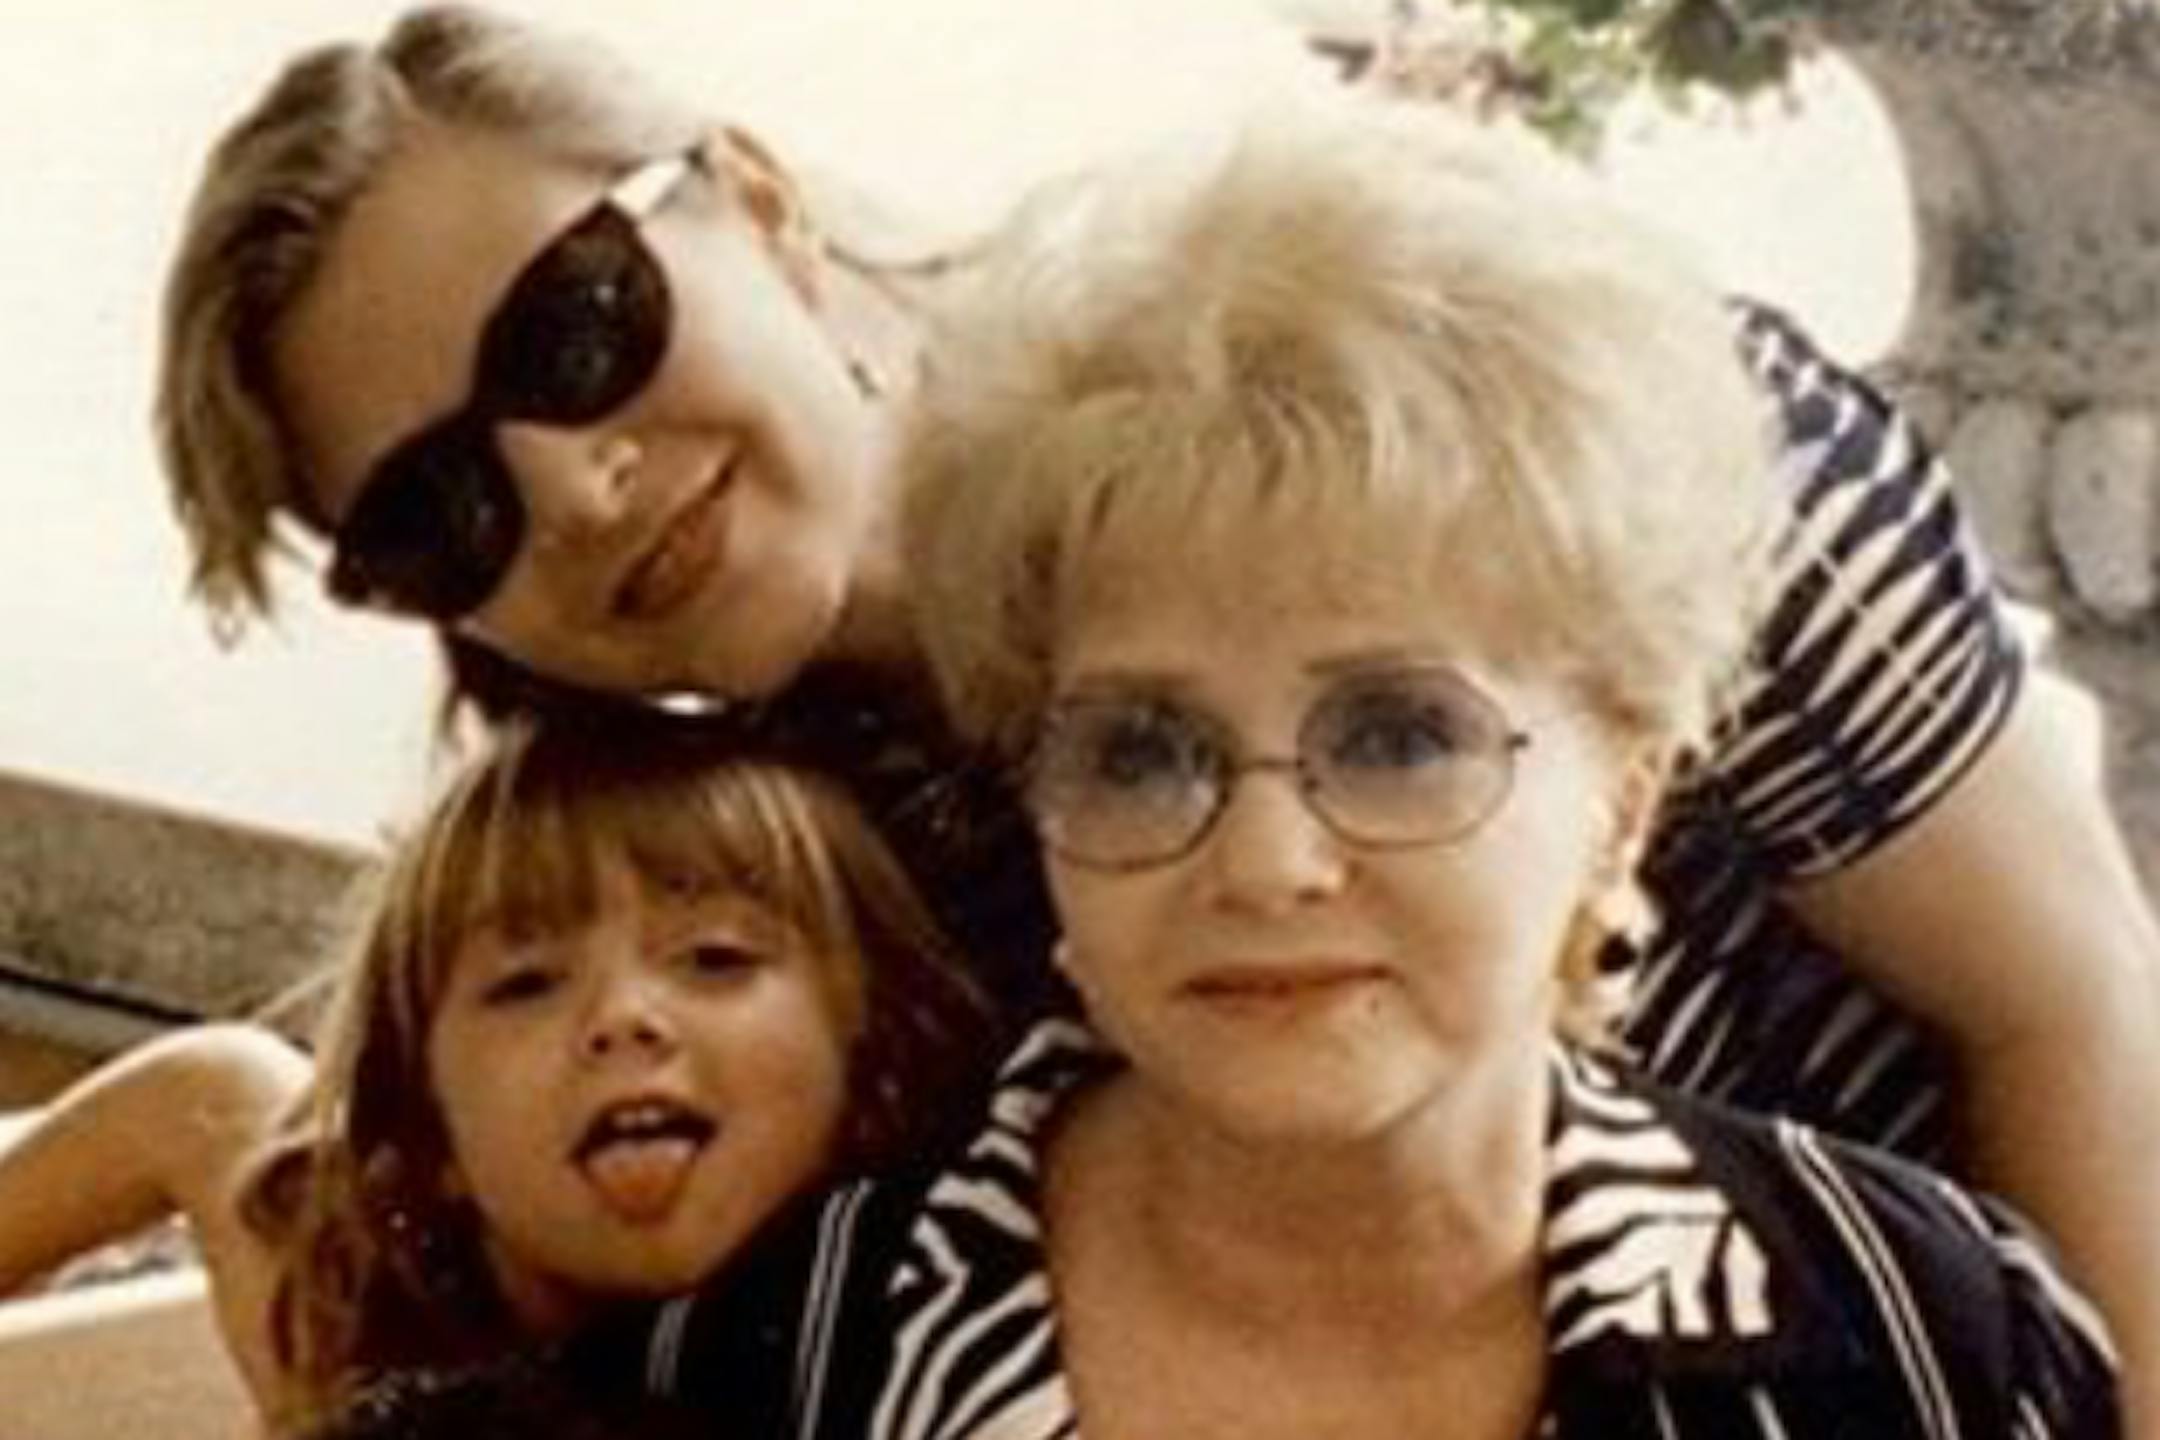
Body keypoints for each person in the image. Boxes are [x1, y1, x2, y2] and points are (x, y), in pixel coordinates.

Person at [151, 3, 2160, 1415]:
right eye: (439, 509)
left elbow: (2064, 997)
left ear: (747, 197)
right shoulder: (759, 902)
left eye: (570, 328)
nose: (573, 480)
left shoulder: (1535, 431)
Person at [0, 713, 990, 1433]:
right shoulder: (355, 1311)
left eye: (717, 959)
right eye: (526, 984)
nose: (620, 1019)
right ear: (433, 1142)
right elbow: (191, 1097)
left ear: (877, 1070)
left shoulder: (926, 1331)